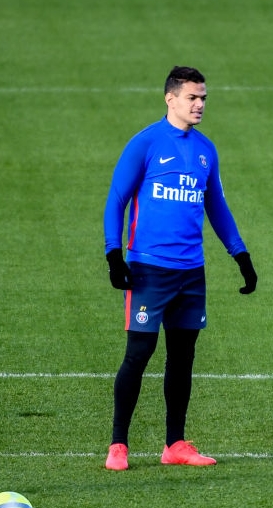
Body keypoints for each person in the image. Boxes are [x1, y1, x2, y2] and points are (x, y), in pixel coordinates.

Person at [102, 66, 257, 470]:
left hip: (191, 272)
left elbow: (216, 206)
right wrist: (113, 255)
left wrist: (240, 255)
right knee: (139, 354)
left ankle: (174, 444)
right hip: (149, 269)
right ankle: (118, 445)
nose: (200, 104)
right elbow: (116, 199)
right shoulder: (146, 143)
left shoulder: (206, 150)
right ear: (170, 99)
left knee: (183, 357)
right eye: (192, 97)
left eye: (203, 97)